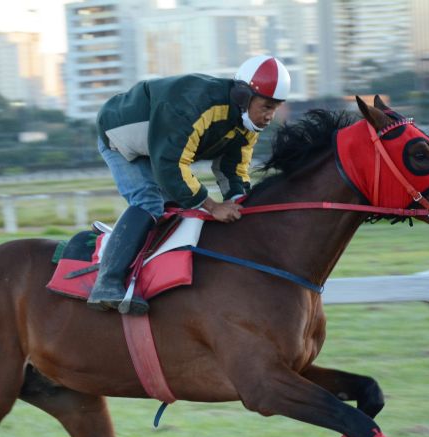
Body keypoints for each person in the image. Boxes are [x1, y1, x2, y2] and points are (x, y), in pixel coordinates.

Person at [88, 55, 291, 315]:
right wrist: (213, 206)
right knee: (149, 202)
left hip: (159, 144)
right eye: (266, 106)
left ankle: (149, 276)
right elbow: (170, 166)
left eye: (276, 108)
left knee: (175, 209)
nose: (270, 116)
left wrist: (241, 204)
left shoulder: (246, 125)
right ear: (243, 96)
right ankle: (107, 283)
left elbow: (233, 170)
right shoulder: (195, 106)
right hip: (119, 134)